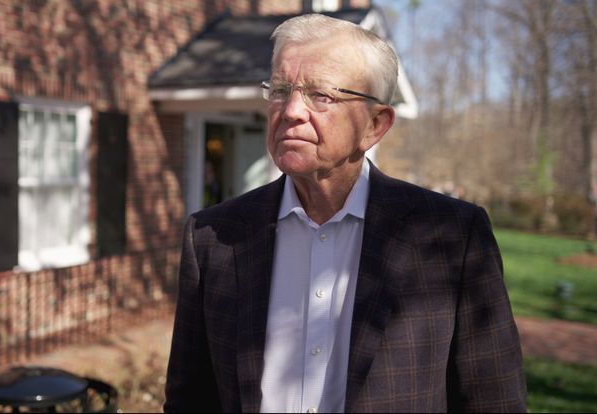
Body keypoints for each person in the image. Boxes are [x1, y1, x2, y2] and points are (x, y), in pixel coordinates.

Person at [164, 13, 526, 413]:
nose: (291, 111)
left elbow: (495, 400)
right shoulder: (213, 235)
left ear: (375, 125)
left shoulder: (452, 236)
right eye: (281, 90)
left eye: (321, 95)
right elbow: (189, 399)